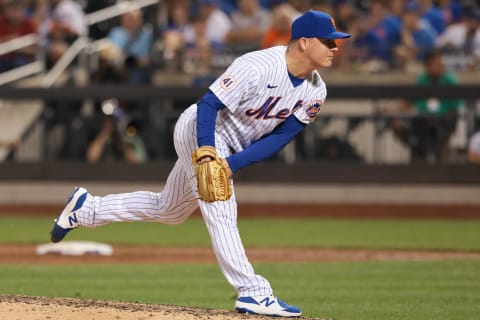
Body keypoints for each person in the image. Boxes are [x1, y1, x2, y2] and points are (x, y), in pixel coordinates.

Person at [50, 10, 350, 317]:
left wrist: (230, 164)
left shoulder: (316, 91)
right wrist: (207, 152)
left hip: (229, 147)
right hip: (201, 129)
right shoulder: (259, 66)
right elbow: (209, 104)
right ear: (303, 42)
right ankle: (253, 291)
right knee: (221, 206)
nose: (335, 47)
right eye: (327, 41)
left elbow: (282, 136)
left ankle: (87, 209)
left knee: (169, 209)